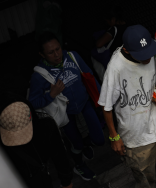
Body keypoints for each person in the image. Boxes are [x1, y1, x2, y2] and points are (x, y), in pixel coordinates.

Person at [98, 25, 156, 188]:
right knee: (145, 175)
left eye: (149, 52)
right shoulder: (116, 67)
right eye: (142, 56)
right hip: (135, 126)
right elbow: (106, 106)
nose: (148, 58)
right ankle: (150, 167)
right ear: (127, 51)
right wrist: (113, 136)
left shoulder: (155, 48)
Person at [28, 31, 104, 181]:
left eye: (58, 49)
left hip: (84, 104)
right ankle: (79, 165)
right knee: (76, 144)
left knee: (100, 139)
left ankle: (86, 144)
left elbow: (89, 74)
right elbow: (33, 102)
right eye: (50, 52)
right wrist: (51, 94)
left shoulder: (72, 56)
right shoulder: (39, 75)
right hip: (65, 113)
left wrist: (102, 98)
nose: (57, 54)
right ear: (42, 55)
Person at [0, 88, 74, 188]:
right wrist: (66, 181)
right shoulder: (45, 125)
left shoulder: (45, 126)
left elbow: (59, 155)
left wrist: (66, 180)